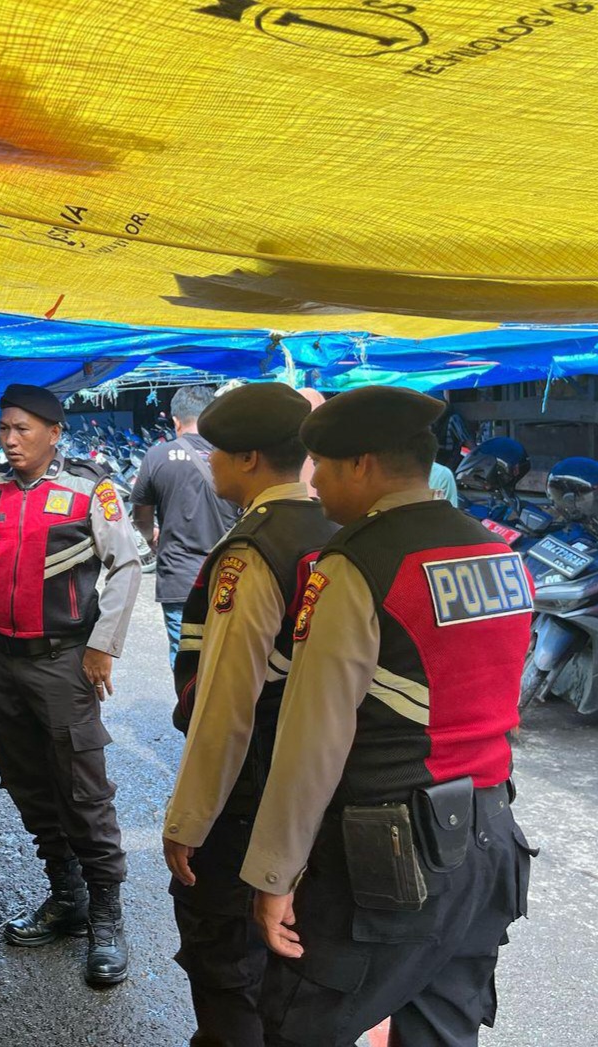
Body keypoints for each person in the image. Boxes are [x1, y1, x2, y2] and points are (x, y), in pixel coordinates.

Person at [241, 385, 536, 1047]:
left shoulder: (357, 564)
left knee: (301, 1020)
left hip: (389, 853)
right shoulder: (499, 552)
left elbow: (311, 740)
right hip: (488, 837)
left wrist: (273, 873)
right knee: (440, 1027)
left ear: (361, 465)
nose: (312, 486)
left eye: (320, 466)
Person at [0, 383, 142, 986]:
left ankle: (106, 917)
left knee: (83, 786)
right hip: (2, 661)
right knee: (26, 779)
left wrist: (103, 646)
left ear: (54, 433)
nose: (9, 440)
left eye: (22, 429)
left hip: (63, 662)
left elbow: (125, 566)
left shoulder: (89, 489)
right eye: (3, 429)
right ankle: (68, 896)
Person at [161, 384, 338, 1047]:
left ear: (249, 458)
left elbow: (225, 706)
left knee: (225, 960)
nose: (207, 465)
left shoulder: (254, 548)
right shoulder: (335, 529)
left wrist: (187, 819)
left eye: (215, 454)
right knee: (291, 967)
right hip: (313, 792)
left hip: (248, 798)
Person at [131, 386, 239, 666]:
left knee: (186, 659)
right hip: (230, 573)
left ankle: (191, 709)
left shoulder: (156, 457)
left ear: (176, 421)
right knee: (229, 657)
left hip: (179, 577)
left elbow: (141, 518)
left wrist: (151, 536)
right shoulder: (234, 456)